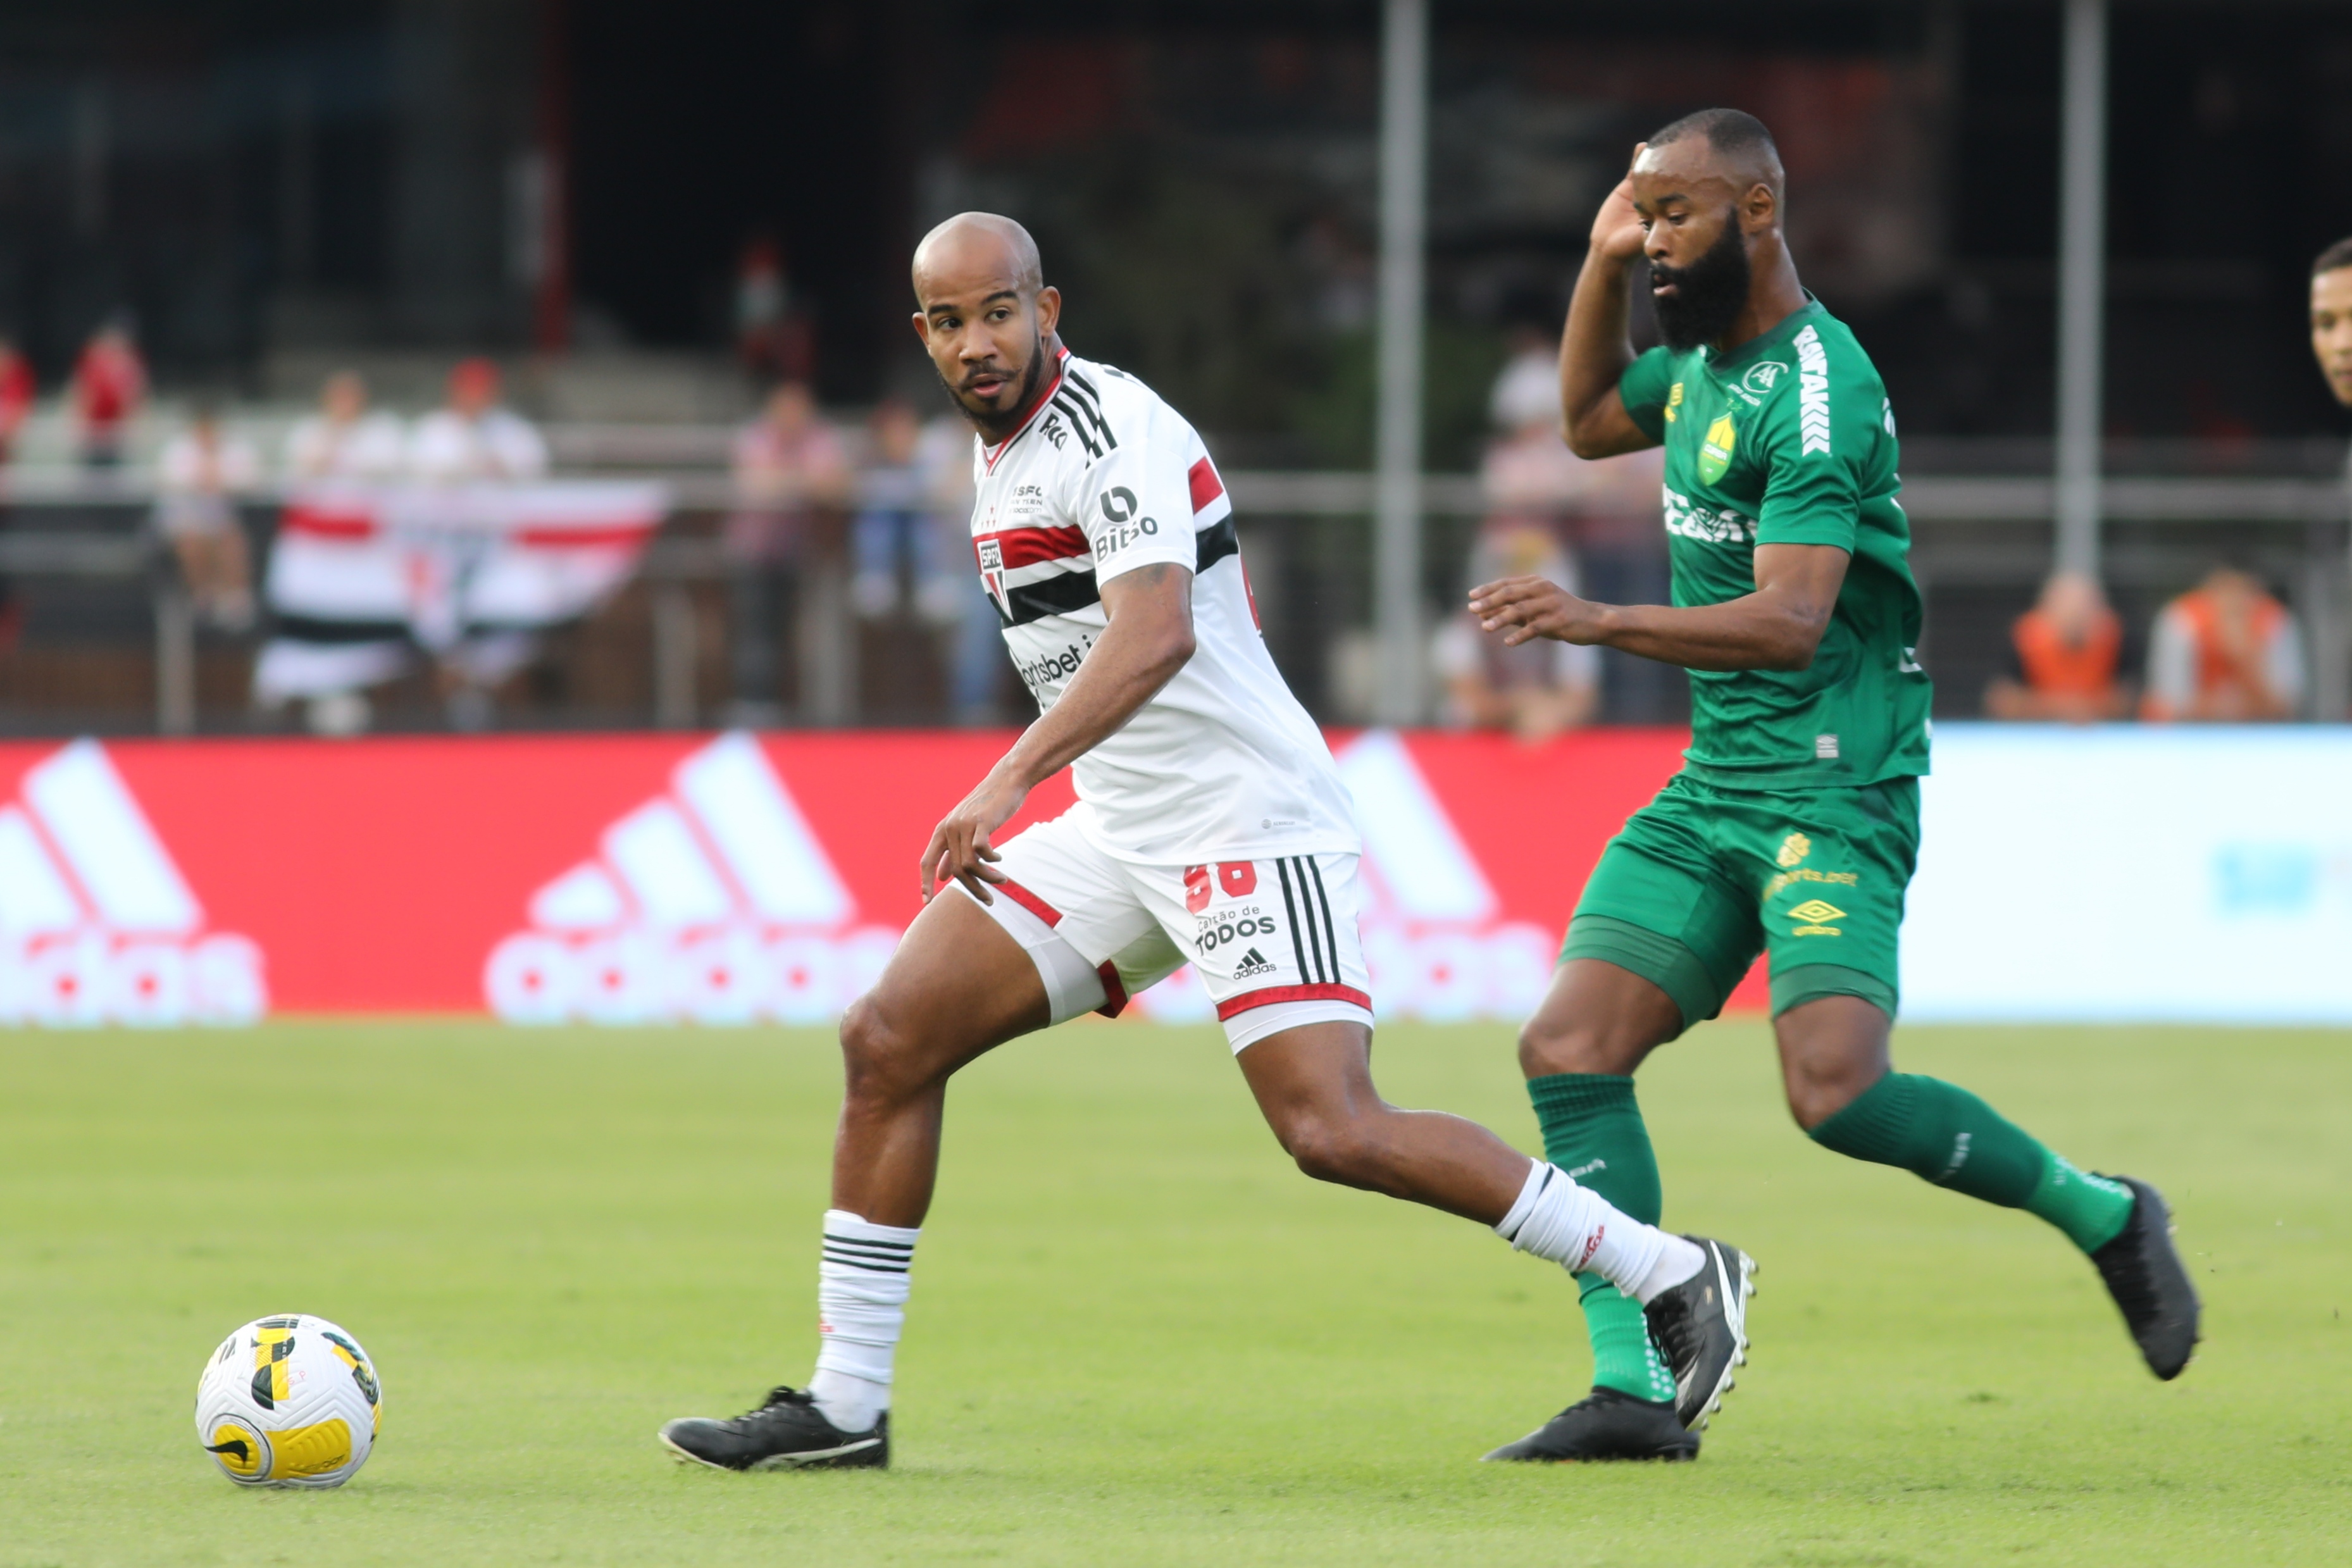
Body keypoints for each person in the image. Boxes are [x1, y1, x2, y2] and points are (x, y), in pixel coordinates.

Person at [656, 213, 1757, 1473]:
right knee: (887, 1037)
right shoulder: (994, 450)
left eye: (999, 312)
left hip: (1243, 817)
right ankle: (846, 1407)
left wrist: (1008, 777)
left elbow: (1156, 633)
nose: (977, 343)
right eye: (949, 322)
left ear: (1048, 307)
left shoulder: (1104, 429)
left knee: (1330, 1128)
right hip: (1125, 825)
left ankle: (1672, 1272)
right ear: (921, 336)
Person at [1468, 111, 2198, 1462]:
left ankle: (2103, 1213)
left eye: (1672, 217)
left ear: (1755, 210)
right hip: (1714, 786)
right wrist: (1594, 255)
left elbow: (1788, 620)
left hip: (1831, 785)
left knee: (1835, 1095)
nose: (1653, 244)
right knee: (1565, 1049)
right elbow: (1579, 421)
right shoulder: (1691, 367)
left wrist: (1595, 619)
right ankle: (1630, 1389)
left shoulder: (1818, 386)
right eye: (1639, 216)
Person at [723, 381, 850, 723]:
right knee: (756, 632)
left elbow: (836, 484)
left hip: (805, 554)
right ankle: (755, 705)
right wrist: (805, 481)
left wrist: (789, 481)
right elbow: (756, 484)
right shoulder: (756, 436)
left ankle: (814, 713)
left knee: (807, 636)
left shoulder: (819, 436)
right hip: (755, 552)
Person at [1433, 520, 1599, 740]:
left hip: (1549, 743)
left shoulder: (1569, 632)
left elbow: (1582, 700)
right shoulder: (1463, 632)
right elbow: (1467, 700)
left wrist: (1548, 713)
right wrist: (1520, 707)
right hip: (1477, 746)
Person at [2141, 567, 2303, 722]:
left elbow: (2284, 708)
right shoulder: (2182, 619)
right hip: (2191, 737)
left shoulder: (2275, 621)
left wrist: (2245, 658)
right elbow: (2166, 706)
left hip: (2259, 736)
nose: (2233, 602)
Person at [155, 401, 262, 632]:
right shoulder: (178, 450)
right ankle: (204, 595)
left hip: (222, 521)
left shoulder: (234, 449)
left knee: (232, 542)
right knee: (192, 541)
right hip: (183, 519)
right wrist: (202, 479)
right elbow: (172, 483)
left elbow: (250, 481)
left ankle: (236, 597)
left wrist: (220, 479)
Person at [1984, 569, 2129, 722]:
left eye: (2085, 606)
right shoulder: (2025, 642)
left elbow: (2127, 700)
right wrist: (2064, 708)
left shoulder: (2114, 640)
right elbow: (2001, 701)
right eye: (2067, 606)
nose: (2076, 615)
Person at [408, 358, 547, 483]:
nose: (474, 398)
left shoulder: (516, 430)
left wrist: (502, 469)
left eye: (481, 391)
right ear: (454, 390)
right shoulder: (431, 428)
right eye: (468, 390)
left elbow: (536, 473)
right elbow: (413, 475)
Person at [283, 370, 407, 481]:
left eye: (351, 395)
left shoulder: (382, 427)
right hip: (318, 501)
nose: (345, 402)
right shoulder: (308, 429)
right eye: (339, 396)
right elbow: (299, 470)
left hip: (367, 499)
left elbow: (386, 469)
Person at [71, 318, 146, 469]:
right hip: (94, 431)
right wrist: (79, 424)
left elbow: (134, 399)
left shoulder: (129, 366)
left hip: (117, 433)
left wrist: (132, 427)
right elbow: (82, 396)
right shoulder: (92, 364)